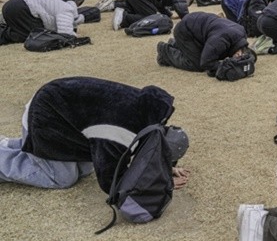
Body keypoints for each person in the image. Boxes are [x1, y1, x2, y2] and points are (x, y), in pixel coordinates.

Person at [0, 77, 189, 192]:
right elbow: (112, 181)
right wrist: (160, 182)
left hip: (63, 116)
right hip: (45, 117)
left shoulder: (150, 115)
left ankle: (8, 145)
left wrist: (165, 166)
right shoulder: (119, 131)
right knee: (62, 178)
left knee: (84, 169)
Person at [156, 12, 249, 73]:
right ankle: (165, 51)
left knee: (215, 53)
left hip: (198, 26)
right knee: (196, 65)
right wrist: (225, 66)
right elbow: (206, 63)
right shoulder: (219, 41)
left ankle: (176, 44)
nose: (239, 57)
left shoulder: (241, 34)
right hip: (185, 31)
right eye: (238, 56)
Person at [0, 0, 85, 45]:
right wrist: (75, 37)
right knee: (34, 36)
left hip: (13, 4)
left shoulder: (60, 5)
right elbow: (65, 32)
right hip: (22, 7)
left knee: (22, 31)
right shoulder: (68, 9)